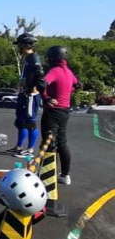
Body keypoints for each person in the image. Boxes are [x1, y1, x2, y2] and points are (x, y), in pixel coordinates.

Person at [41, 45, 78, 185]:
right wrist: (68, 93)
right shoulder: (68, 71)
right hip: (65, 111)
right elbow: (77, 84)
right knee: (62, 143)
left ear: (53, 58)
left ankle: (47, 177)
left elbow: (42, 83)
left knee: (48, 142)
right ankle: (65, 175)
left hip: (52, 111)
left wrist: (47, 98)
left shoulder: (54, 71)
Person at [7, 33, 46, 158]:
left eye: (19, 45)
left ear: (24, 45)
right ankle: (19, 147)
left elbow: (40, 75)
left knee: (30, 122)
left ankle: (29, 149)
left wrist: (34, 88)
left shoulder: (34, 59)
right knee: (21, 121)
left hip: (31, 95)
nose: (18, 47)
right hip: (24, 94)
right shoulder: (27, 58)